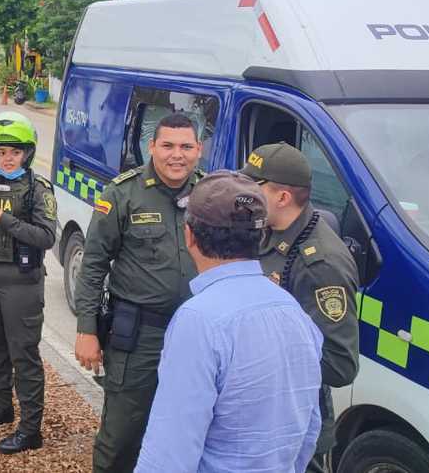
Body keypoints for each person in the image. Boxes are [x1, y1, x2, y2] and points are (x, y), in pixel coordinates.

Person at [135, 171, 323, 473]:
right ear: (261, 236)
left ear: (189, 236)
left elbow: (170, 452)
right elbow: (309, 428)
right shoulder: (295, 313)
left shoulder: (199, 321)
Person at [75, 113, 204, 473]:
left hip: (197, 336)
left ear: (199, 150)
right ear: (152, 147)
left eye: (185, 146)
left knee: (187, 429)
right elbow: (93, 264)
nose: (176, 155)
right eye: (167, 146)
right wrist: (87, 328)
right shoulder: (122, 194)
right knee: (122, 436)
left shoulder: (210, 194)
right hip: (140, 337)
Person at [241, 143, 360, 473]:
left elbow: (340, 365)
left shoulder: (320, 264)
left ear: (282, 197)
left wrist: (262, 354)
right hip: (262, 414)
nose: (245, 194)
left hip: (294, 430)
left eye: (254, 186)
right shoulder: (269, 230)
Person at [0, 112, 58, 454]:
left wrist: (5, 220)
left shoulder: (36, 189)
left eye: (15, 152)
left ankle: (31, 429)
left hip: (20, 281)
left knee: (24, 355)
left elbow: (47, 236)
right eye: (2, 152)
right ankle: (2, 408)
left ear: (27, 154)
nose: (8, 158)